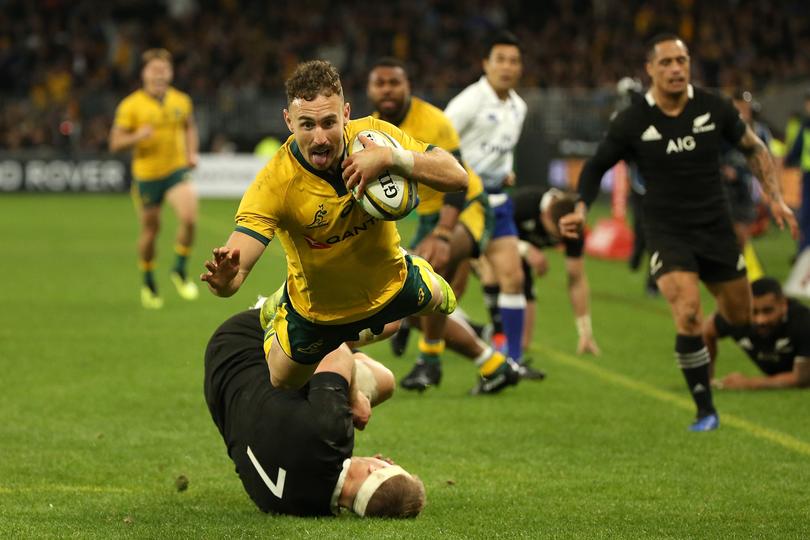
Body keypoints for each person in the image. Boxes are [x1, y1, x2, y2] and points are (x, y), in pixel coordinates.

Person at [564, 34, 797, 431]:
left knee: (740, 317)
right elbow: (596, 166)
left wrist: (774, 198)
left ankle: (710, 336)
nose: (675, 68)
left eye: (682, 60)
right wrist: (582, 206)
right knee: (687, 311)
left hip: (716, 229)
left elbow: (754, 148)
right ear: (650, 69)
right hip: (667, 231)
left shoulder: (714, 106)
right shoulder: (633, 119)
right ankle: (705, 409)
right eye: (667, 62)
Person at [200, 60, 467, 390]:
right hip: (317, 313)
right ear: (288, 121)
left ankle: (397, 288)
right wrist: (225, 281)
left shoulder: (374, 135)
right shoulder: (274, 184)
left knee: (437, 301)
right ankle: (282, 311)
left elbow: (457, 177)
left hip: (391, 285)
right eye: (307, 125)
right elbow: (234, 273)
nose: (320, 137)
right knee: (282, 382)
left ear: (346, 114)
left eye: (329, 122)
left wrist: (391, 158)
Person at [366, 56, 520, 394]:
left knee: (422, 274)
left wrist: (444, 233)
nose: (388, 90)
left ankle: (428, 360)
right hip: (427, 215)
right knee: (427, 296)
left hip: (466, 206)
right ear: (370, 89)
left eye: (395, 82)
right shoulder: (370, 130)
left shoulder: (434, 120)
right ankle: (493, 365)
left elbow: (457, 181)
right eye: (381, 83)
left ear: (408, 87)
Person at [204, 307, 425, 517]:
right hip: (220, 385)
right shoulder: (304, 506)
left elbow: (335, 350)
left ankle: (290, 305)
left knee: (387, 335)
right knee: (379, 380)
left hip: (246, 339)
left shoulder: (331, 437)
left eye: (387, 462)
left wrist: (355, 396)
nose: (380, 457)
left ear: (372, 469)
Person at [444, 30, 529, 367]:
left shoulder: (519, 107)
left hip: (497, 200)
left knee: (514, 276)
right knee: (449, 283)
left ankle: (515, 359)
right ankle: (418, 338)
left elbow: (501, 149)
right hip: (464, 202)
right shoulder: (469, 102)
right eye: (501, 60)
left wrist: (504, 171)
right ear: (486, 64)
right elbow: (439, 141)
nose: (507, 67)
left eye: (514, 61)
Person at [109, 48, 200, 309]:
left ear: (171, 73)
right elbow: (115, 143)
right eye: (154, 69)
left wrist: (191, 152)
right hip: (147, 177)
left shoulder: (181, 101)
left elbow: (189, 125)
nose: (160, 73)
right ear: (144, 73)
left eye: (164, 69)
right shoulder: (130, 105)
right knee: (151, 231)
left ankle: (179, 270)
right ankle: (148, 280)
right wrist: (137, 137)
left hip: (175, 171)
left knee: (189, 217)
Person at [512, 186, 600, 357]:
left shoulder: (573, 226)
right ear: (544, 215)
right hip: (489, 252)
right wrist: (525, 249)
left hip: (520, 261)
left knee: (524, 343)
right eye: (556, 235)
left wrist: (585, 332)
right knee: (512, 277)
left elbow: (576, 279)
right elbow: (490, 230)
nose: (560, 241)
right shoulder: (523, 204)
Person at [704, 277, 810, 390]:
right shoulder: (738, 317)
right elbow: (706, 331)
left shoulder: (803, 322)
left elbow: (802, 379)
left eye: (768, 311)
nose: (761, 320)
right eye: (753, 312)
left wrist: (748, 383)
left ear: (783, 304)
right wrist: (706, 378)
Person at [719, 90, 770, 281]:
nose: (743, 111)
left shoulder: (759, 131)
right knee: (730, 231)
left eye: (745, 107)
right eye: (739, 107)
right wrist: (724, 169)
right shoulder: (722, 129)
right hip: (724, 187)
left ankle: (735, 269)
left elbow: (764, 159)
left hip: (745, 188)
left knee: (742, 233)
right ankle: (732, 270)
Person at [785, 89, 810, 256]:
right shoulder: (805, 125)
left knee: (806, 218)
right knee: (806, 218)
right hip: (808, 176)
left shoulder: (805, 125)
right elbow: (796, 151)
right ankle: (803, 255)